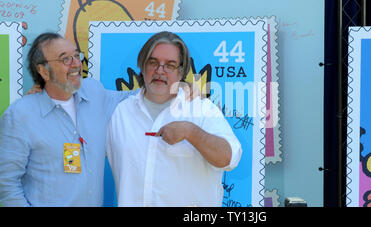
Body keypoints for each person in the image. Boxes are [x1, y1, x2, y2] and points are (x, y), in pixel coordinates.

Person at [0, 32, 141, 206]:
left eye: (76, 55)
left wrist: (177, 89)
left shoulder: (94, 92)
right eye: (65, 59)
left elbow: (136, 98)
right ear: (43, 71)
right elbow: (6, 182)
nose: (76, 64)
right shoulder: (21, 114)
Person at [106, 31, 242, 207]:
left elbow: (229, 158)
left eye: (170, 65)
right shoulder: (119, 112)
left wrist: (191, 132)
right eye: (153, 62)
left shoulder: (201, 108)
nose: (160, 71)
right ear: (142, 66)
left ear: (181, 72)